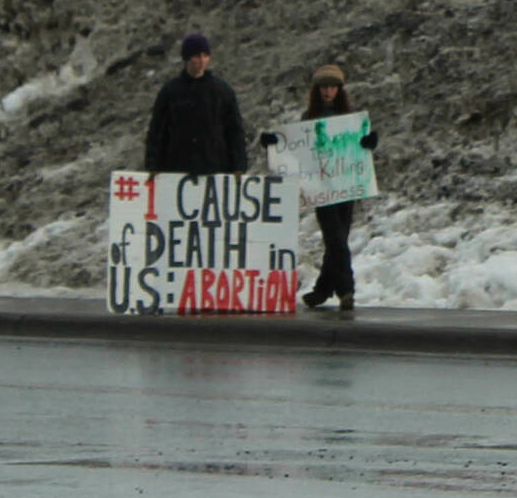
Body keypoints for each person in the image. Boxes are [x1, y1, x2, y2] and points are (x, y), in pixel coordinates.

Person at [263, 63, 379, 314]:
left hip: (346, 186)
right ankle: (347, 290)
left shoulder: (350, 119)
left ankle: (323, 289)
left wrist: (370, 142)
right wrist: (273, 143)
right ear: (317, 90)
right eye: (324, 87)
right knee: (335, 237)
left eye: (333, 87)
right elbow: (294, 147)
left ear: (340, 90)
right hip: (320, 188)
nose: (328, 92)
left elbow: (361, 147)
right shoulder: (309, 119)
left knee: (338, 238)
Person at [143, 33, 248, 175]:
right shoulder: (170, 91)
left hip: (215, 169)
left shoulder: (222, 91)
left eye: (205, 56)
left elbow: (235, 131)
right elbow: (157, 131)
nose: (202, 60)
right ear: (186, 58)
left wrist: (239, 166)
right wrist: (153, 165)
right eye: (197, 56)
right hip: (176, 169)